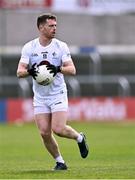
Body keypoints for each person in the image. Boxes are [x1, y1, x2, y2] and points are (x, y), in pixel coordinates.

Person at [17, 13, 89, 170]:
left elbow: (72, 70)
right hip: (40, 96)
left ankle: (79, 137)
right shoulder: (29, 47)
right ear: (41, 27)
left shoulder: (60, 46)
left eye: (56, 25)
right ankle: (60, 162)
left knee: (58, 129)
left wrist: (58, 68)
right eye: (51, 26)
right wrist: (31, 71)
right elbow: (19, 72)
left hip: (57, 94)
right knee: (44, 132)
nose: (55, 28)